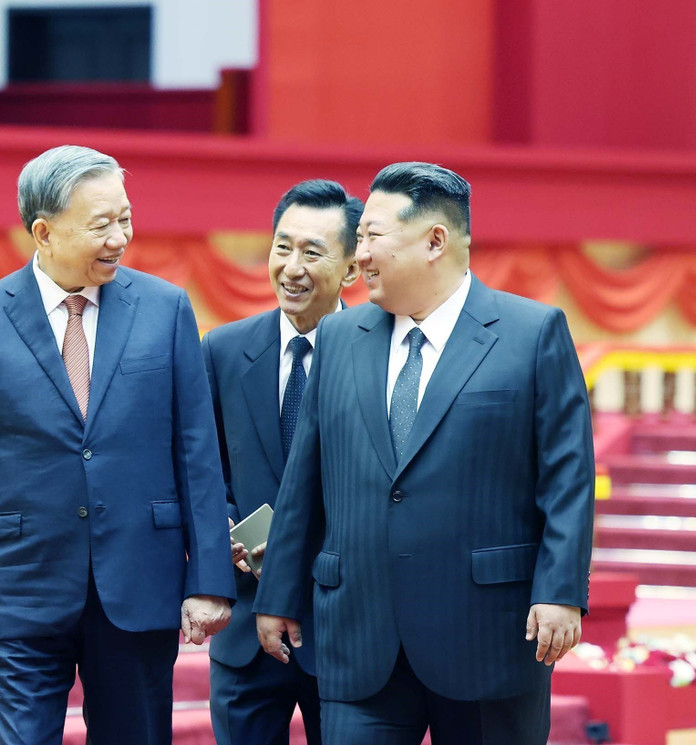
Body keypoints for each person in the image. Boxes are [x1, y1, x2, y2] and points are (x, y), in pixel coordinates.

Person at [254, 162, 595, 745]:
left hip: (489, 638)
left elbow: (567, 477)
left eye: (372, 237)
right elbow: (304, 480)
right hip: (359, 638)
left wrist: (561, 591)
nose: (358, 255)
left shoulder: (530, 332)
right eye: (358, 239)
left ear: (435, 240)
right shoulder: (339, 338)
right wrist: (279, 590)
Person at [0, 145, 234, 745]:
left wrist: (209, 580)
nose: (120, 236)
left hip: (140, 582)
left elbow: (197, 454)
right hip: (23, 584)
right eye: (101, 225)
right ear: (43, 231)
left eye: (125, 217)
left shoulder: (165, 310)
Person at [202, 180, 362, 745]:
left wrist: (305, 545)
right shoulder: (221, 351)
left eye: (313, 253)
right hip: (245, 627)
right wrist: (221, 529)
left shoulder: (380, 357)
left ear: (351, 269)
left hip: (344, 628)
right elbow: (203, 469)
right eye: (282, 247)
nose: (292, 267)